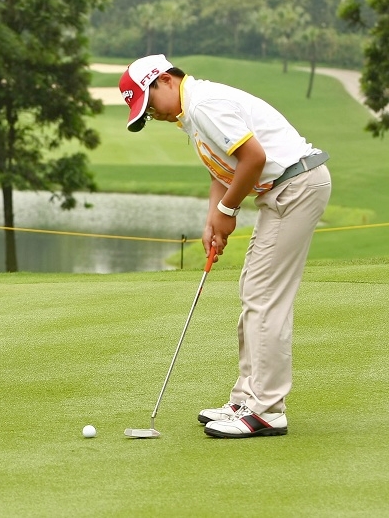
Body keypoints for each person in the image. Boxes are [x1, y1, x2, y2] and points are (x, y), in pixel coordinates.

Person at [120, 54, 331, 439]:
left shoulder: (203, 105)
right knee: (254, 290)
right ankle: (247, 398)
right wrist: (213, 218)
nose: (153, 114)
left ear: (165, 80)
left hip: (296, 186)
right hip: (284, 190)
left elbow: (254, 158)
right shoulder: (193, 113)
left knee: (265, 297)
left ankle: (266, 409)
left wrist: (228, 210)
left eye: (149, 104)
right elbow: (226, 168)